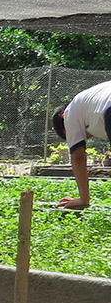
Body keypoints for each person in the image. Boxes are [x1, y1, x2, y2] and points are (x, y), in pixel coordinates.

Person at [52, 79, 111, 209]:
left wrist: (83, 199)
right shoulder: (88, 100)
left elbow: (78, 157)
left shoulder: (69, 113)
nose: (85, 137)